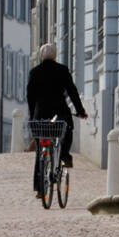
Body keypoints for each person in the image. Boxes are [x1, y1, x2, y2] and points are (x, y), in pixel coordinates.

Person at [27, 43, 87, 193]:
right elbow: (72, 91)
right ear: (55, 56)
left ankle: (39, 188)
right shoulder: (62, 70)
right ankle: (65, 155)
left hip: (40, 114)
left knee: (41, 147)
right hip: (59, 112)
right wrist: (80, 111)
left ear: (41, 56)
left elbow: (30, 95)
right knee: (68, 129)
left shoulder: (34, 72)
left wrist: (32, 114)